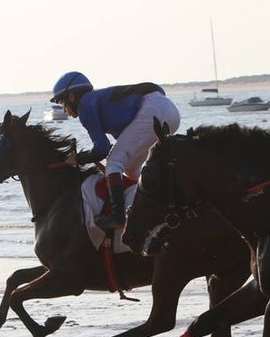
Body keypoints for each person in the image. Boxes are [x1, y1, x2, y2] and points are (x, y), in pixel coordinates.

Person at [49, 71, 181, 231]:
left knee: (114, 162)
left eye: (63, 103)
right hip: (169, 110)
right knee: (130, 168)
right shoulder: (97, 101)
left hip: (153, 109)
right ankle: (157, 202)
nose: (65, 111)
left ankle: (117, 216)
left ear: (72, 97)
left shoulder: (85, 105)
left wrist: (77, 159)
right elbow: (117, 144)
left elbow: (101, 150)